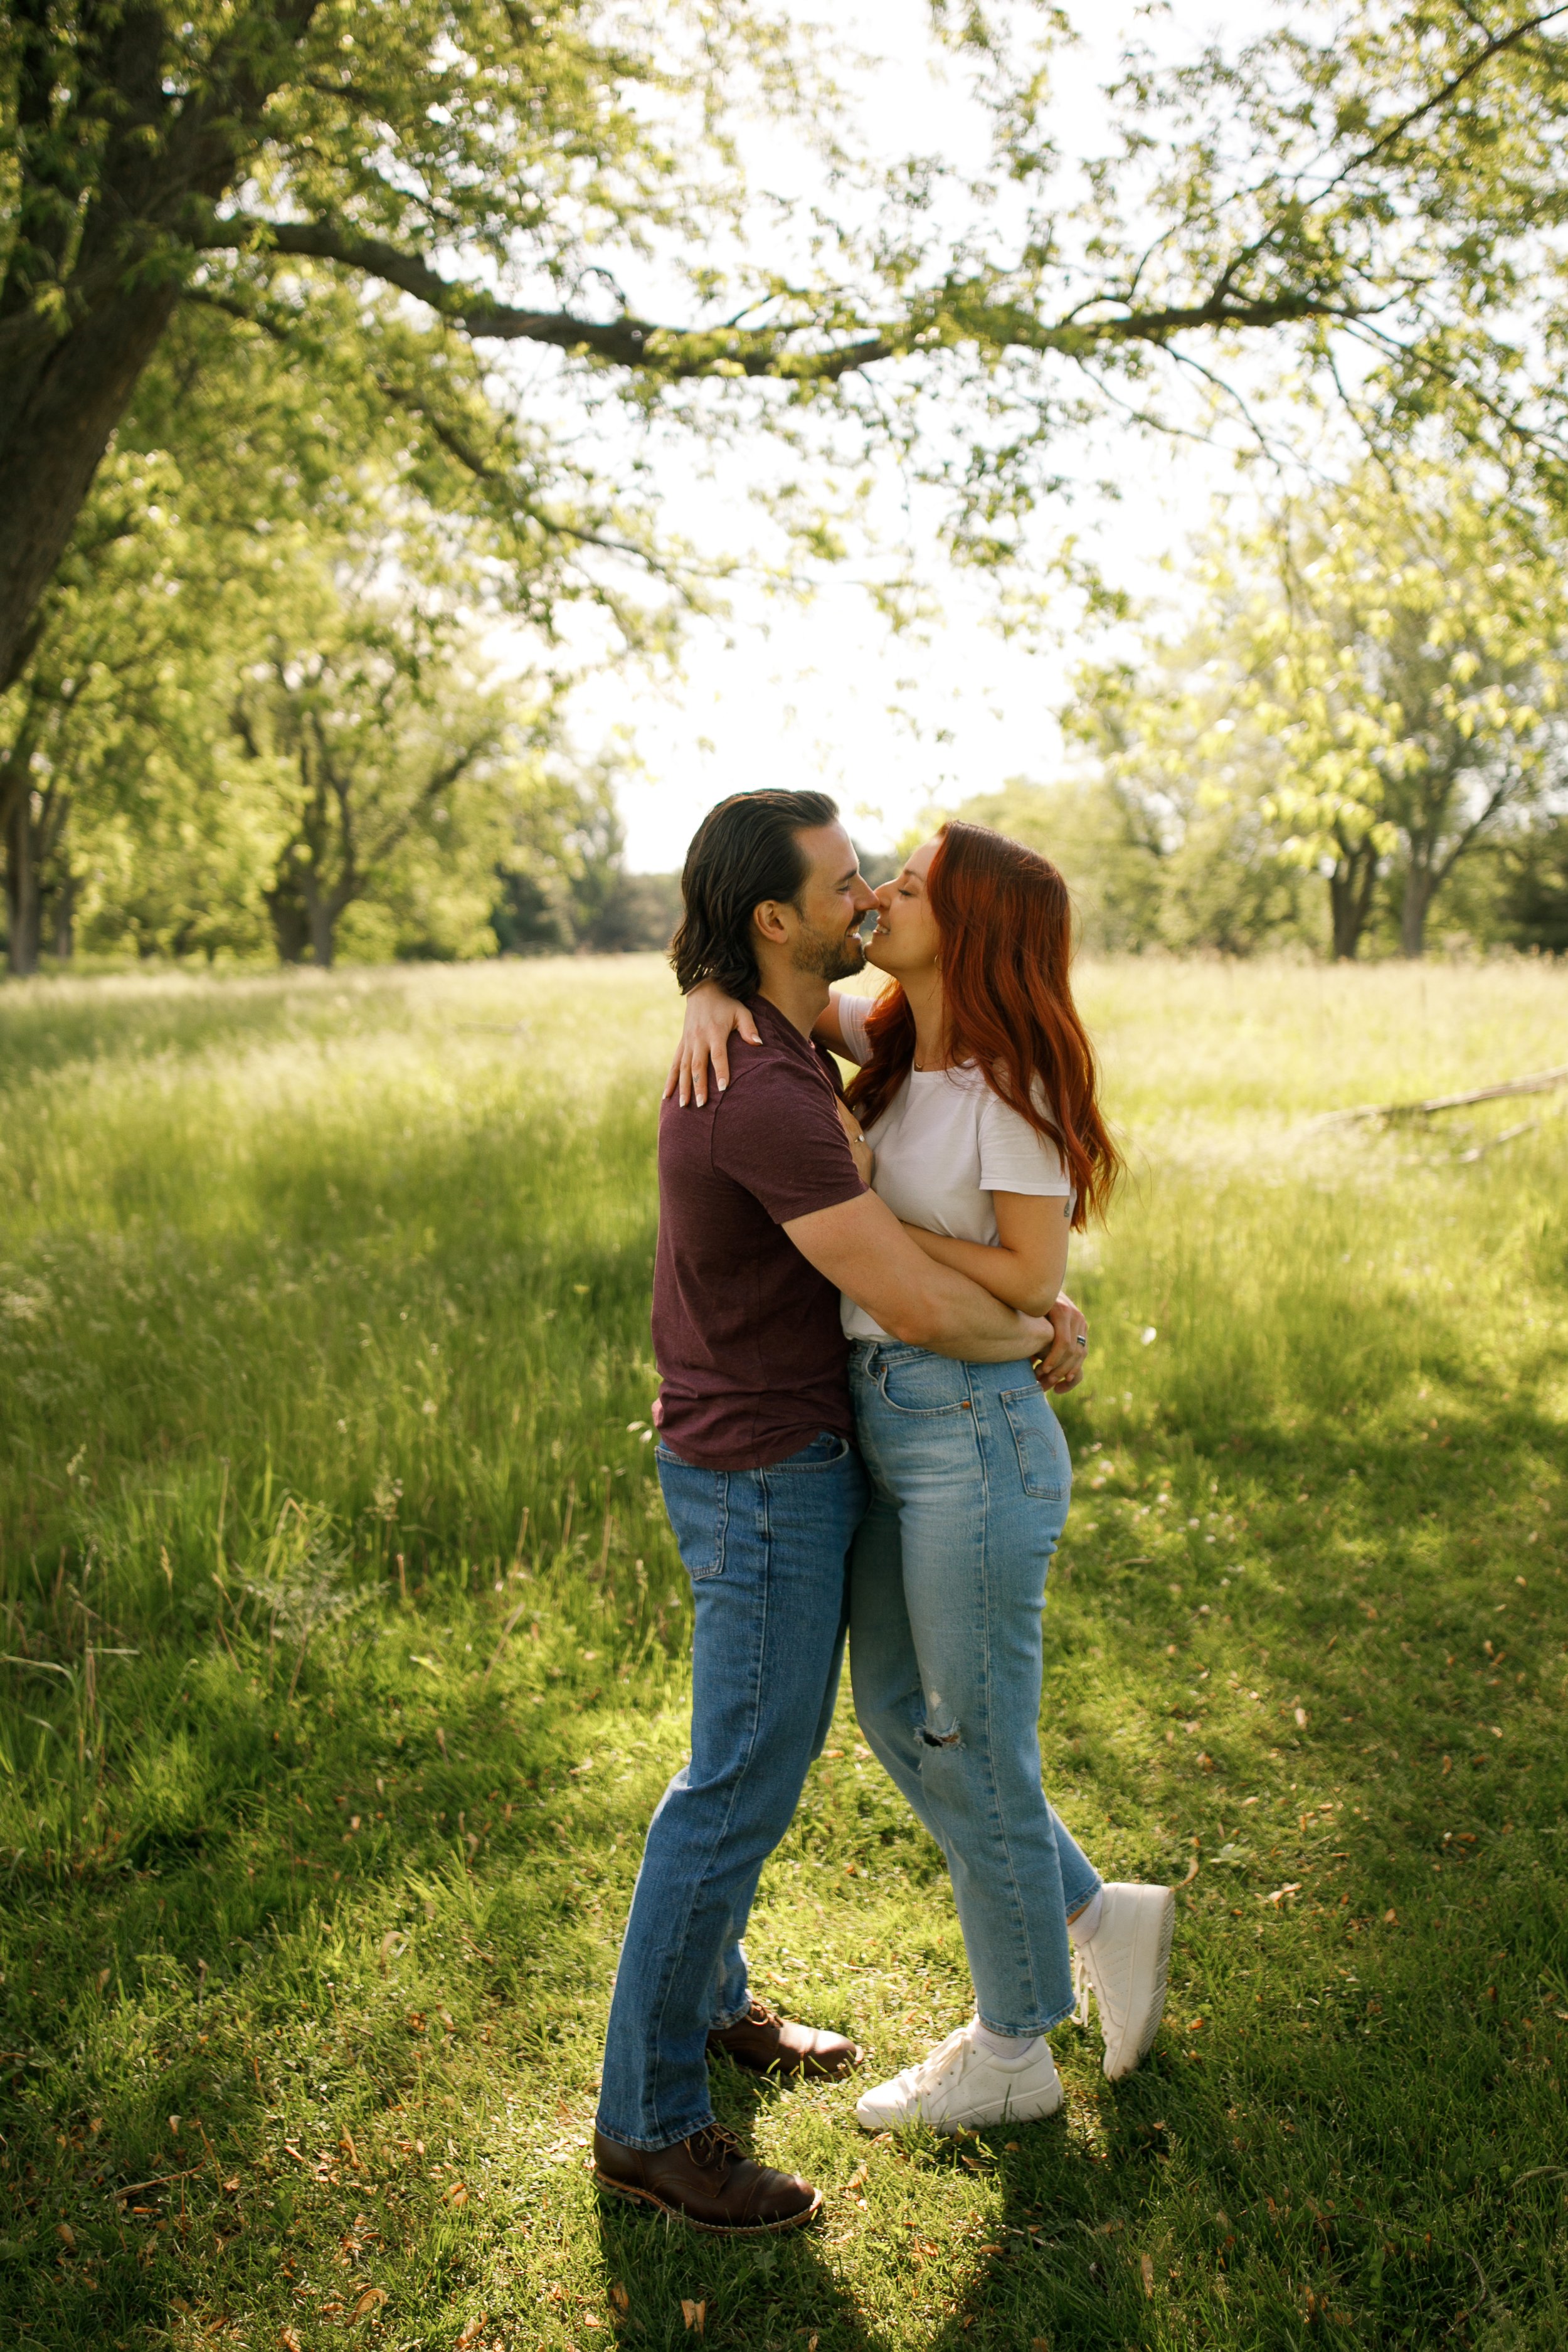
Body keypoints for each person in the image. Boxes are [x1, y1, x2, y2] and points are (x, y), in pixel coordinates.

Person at [593, 791, 1084, 2237]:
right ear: (774, 921)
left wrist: (703, 980)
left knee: (767, 1750)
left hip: (788, 1447)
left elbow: (969, 1147)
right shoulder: (761, 1083)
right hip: (761, 1470)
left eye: (880, 876)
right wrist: (1046, 1330)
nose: (865, 894)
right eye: (842, 880)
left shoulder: (795, 1032)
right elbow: (910, 1294)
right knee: (740, 1777)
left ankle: (721, 2004)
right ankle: (646, 2123)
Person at [672, 820, 1174, 2137]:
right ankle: (1094, 1916)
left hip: (972, 1436)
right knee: (901, 1716)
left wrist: (1008, 1319)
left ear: (975, 930)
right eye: (874, 877)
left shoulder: (1012, 1089)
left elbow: (1028, 1279)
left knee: (976, 1738)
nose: (879, 892)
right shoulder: (889, 1047)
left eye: (911, 884)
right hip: (894, 1424)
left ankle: (1013, 2049)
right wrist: (704, 987)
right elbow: (762, 972)